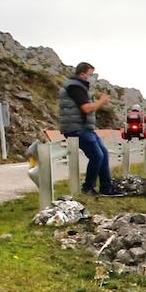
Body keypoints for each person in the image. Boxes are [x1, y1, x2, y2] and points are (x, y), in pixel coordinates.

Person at [58, 62, 116, 196]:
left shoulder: (79, 86)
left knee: (103, 154)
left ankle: (106, 189)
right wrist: (101, 101)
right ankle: (87, 188)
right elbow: (86, 108)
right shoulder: (75, 87)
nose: (92, 78)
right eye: (91, 75)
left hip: (84, 128)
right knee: (97, 156)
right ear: (83, 74)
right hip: (77, 128)